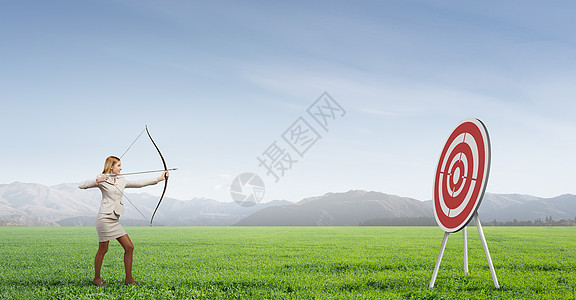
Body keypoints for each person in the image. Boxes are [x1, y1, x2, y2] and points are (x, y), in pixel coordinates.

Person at [79, 156, 168, 287]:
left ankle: (129, 279)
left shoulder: (121, 180)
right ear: (111, 167)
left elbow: (139, 183)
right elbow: (81, 185)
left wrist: (160, 179)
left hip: (115, 219)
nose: (121, 168)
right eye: (119, 166)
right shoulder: (102, 178)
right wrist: (97, 180)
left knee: (129, 247)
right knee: (103, 249)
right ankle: (97, 279)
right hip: (104, 218)